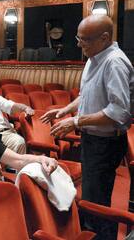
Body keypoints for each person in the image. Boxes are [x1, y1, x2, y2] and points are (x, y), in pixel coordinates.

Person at [40, 15, 133, 240]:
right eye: (78, 38)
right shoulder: (95, 56)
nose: (79, 44)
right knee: (92, 198)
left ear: (104, 38)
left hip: (106, 143)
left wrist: (76, 121)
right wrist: (66, 110)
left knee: (97, 205)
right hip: (93, 140)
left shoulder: (114, 63)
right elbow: (86, 95)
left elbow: (119, 112)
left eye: (85, 40)